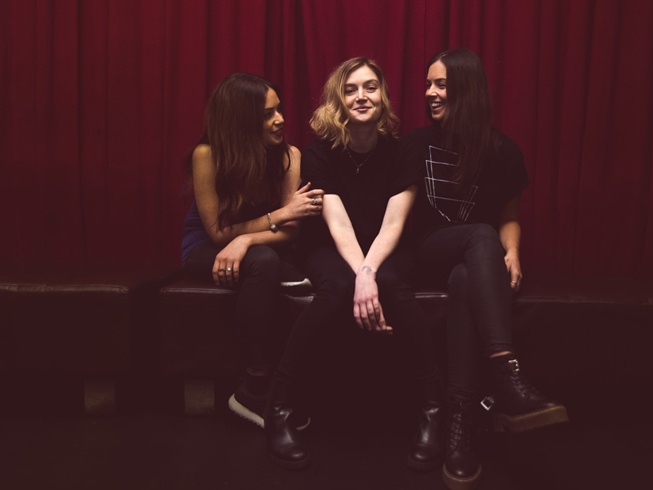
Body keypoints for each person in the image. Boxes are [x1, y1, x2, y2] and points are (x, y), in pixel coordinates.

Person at [264, 58, 442, 471]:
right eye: (350, 89)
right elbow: (338, 224)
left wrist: (370, 272)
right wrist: (361, 276)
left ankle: (434, 410)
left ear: (383, 97)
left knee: (393, 286)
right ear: (338, 100)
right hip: (329, 245)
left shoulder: (405, 150)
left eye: (370, 87)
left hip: (389, 245)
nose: (361, 96)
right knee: (338, 287)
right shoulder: (318, 153)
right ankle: (280, 406)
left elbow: (394, 223)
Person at [405, 49, 569, 490]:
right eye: (428, 84)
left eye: (441, 84)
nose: (430, 93)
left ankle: (460, 421)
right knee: (480, 235)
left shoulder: (503, 151)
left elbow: (508, 217)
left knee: (467, 275)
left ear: (467, 89)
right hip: (427, 253)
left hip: (472, 266)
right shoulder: (416, 144)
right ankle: (506, 374)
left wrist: (512, 252)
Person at [181, 73, 324, 429]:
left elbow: (292, 231)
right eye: (266, 115)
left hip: (261, 246)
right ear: (241, 120)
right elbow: (217, 233)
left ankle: (288, 385)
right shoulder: (207, 155)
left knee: (273, 262)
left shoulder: (289, 155)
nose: (280, 120)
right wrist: (279, 216)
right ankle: (255, 389)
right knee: (264, 262)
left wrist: (245, 240)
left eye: (279, 110)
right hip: (204, 247)